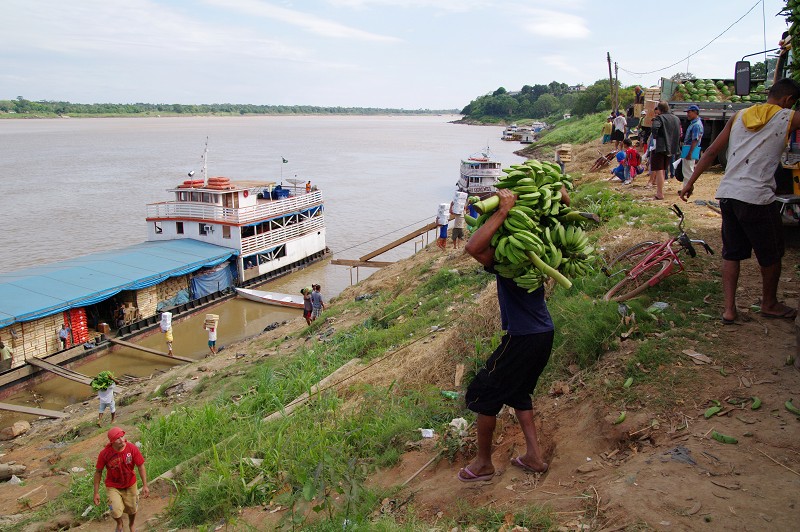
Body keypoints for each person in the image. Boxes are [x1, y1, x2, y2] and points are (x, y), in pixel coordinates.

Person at [458, 187, 564, 482]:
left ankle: (483, 464)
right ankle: (533, 456)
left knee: (483, 393)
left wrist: (503, 210)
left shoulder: (509, 260)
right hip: (544, 332)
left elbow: (472, 248)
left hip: (523, 337)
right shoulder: (537, 251)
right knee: (519, 392)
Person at [679, 78, 800, 324]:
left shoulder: (739, 116)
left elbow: (711, 151)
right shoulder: (787, 117)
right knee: (772, 254)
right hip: (757, 197)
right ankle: (769, 304)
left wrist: (690, 182)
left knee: (731, 253)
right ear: (788, 101)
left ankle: (729, 310)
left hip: (728, 194)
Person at [93, 427, 149, 532]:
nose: (122, 440)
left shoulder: (132, 448)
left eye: (122, 436)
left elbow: (141, 466)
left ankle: (131, 525)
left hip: (130, 483)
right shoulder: (105, 454)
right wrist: (96, 493)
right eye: (117, 438)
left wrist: (145, 485)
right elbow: (98, 472)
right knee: (114, 509)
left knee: (132, 509)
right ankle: (120, 523)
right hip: (113, 486)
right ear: (112, 442)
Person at [649, 101, 681, 200]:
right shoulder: (676, 118)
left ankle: (659, 193)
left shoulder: (659, 118)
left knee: (659, 170)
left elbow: (654, 129)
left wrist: (656, 135)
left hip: (660, 147)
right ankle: (660, 191)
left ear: (659, 109)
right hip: (671, 147)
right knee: (663, 169)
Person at [680, 104, 704, 180]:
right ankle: (686, 188)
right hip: (688, 149)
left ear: (695, 112)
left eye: (689, 112)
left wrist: (690, 153)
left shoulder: (696, 125)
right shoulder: (694, 123)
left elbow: (695, 140)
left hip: (689, 149)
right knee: (687, 170)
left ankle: (688, 189)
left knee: (688, 171)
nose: (687, 114)